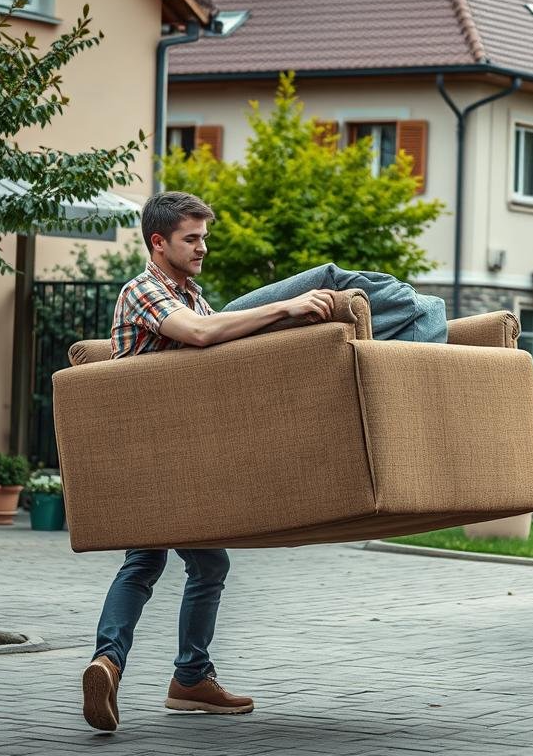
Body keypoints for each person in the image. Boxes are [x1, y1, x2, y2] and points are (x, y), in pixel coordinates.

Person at [82, 191, 338, 732]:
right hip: (153, 453)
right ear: (159, 242)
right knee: (190, 564)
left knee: (153, 562)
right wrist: (287, 305)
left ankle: (120, 665)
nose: (202, 248)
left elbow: (215, 345)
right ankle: (187, 677)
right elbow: (201, 336)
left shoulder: (191, 296)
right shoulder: (143, 290)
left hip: (178, 453)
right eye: (190, 239)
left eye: (204, 238)